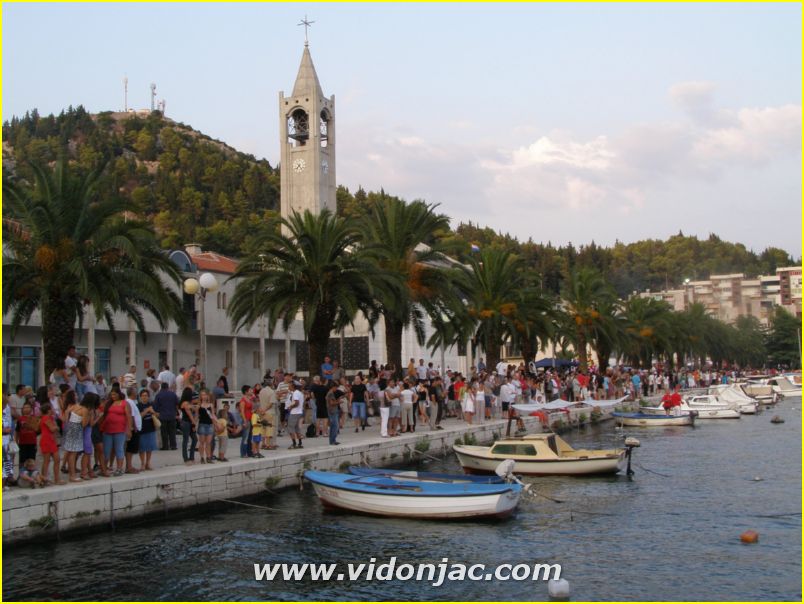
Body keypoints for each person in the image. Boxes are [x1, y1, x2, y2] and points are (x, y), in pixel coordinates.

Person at [62, 390, 86, 483]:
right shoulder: (76, 407)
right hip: (75, 430)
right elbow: (83, 423)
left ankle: (72, 474)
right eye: (75, 395)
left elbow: (65, 420)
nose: (77, 396)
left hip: (70, 430)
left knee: (71, 453)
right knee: (73, 453)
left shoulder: (68, 407)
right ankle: (72, 475)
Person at [39, 402, 65, 484]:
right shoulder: (46, 418)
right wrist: (56, 427)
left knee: (57, 459)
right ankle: (44, 479)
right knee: (46, 460)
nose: (53, 410)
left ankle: (57, 479)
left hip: (51, 440)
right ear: (48, 410)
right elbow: (53, 429)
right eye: (52, 408)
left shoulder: (51, 418)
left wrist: (56, 427)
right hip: (46, 440)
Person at [137, 389, 158, 471]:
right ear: (140, 397)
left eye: (146, 395)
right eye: (143, 396)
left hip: (151, 428)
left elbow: (157, 415)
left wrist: (153, 412)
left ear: (148, 397)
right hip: (142, 429)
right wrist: (147, 410)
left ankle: (148, 463)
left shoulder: (152, 404)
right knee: (142, 448)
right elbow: (139, 416)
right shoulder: (138, 405)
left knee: (149, 447)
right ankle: (142, 463)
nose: (144, 397)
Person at [15, 401, 39, 471]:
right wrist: (16, 442)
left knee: (32, 460)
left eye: (28, 407)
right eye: (24, 407)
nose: (26, 409)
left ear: (31, 409)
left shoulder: (34, 418)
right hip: (22, 443)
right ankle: (22, 474)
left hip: (32, 442)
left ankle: (31, 474)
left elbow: (37, 431)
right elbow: (17, 432)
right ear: (22, 409)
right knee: (22, 460)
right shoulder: (20, 419)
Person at [124, 387, 142, 474]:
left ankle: (129, 466)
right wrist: (133, 428)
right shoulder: (129, 402)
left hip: (136, 428)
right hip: (134, 429)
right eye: (135, 392)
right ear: (132, 393)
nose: (137, 393)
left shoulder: (133, 402)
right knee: (130, 448)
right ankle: (128, 466)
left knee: (132, 448)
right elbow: (131, 416)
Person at [179, 387, 198, 466]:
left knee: (195, 439)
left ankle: (191, 457)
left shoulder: (189, 403)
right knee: (186, 440)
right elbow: (189, 414)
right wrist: (194, 423)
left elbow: (195, 411)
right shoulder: (185, 403)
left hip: (190, 422)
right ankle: (186, 458)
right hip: (186, 422)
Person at [286, 381, 305, 449]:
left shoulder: (295, 393)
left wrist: (290, 407)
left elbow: (297, 403)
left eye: (289, 386)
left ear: (293, 386)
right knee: (297, 428)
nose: (288, 387)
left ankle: (294, 444)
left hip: (294, 412)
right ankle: (300, 443)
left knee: (290, 428)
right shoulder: (300, 393)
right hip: (299, 412)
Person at [237, 385, 254, 458]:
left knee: (250, 437)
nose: (251, 391)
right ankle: (243, 453)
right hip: (246, 420)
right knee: (245, 437)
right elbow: (242, 411)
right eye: (250, 390)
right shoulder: (243, 401)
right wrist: (245, 421)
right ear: (246, 392)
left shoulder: (249, 399)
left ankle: (249, 452)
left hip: (250, 419)